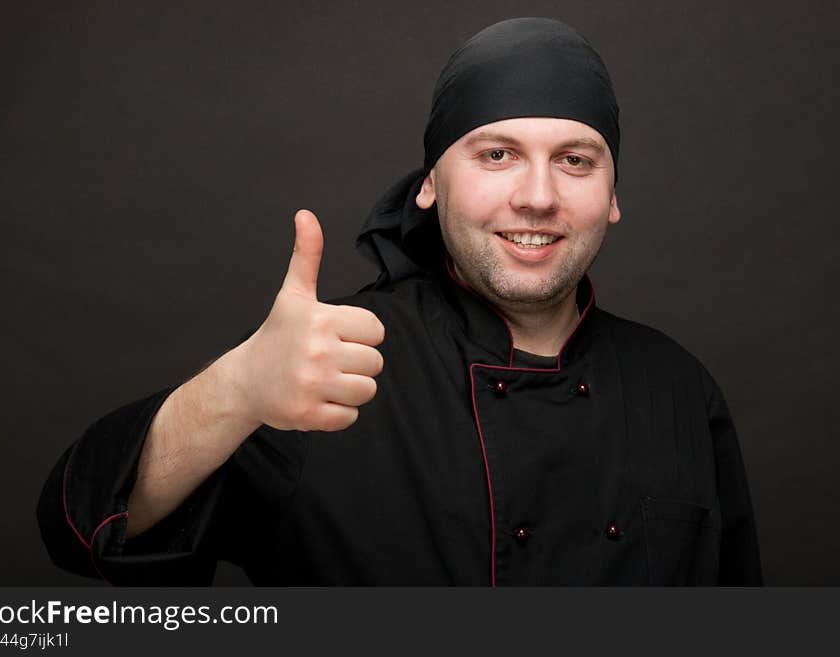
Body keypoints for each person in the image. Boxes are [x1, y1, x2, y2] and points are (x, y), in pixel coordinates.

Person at [37, 17, 762, 585]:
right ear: (429, 184)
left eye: (575, 160)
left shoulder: (678, 388)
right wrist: (237, 388)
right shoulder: (329, 362)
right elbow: (80, 525)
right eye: (496, 153)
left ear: (611, 197)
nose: (538, 196)